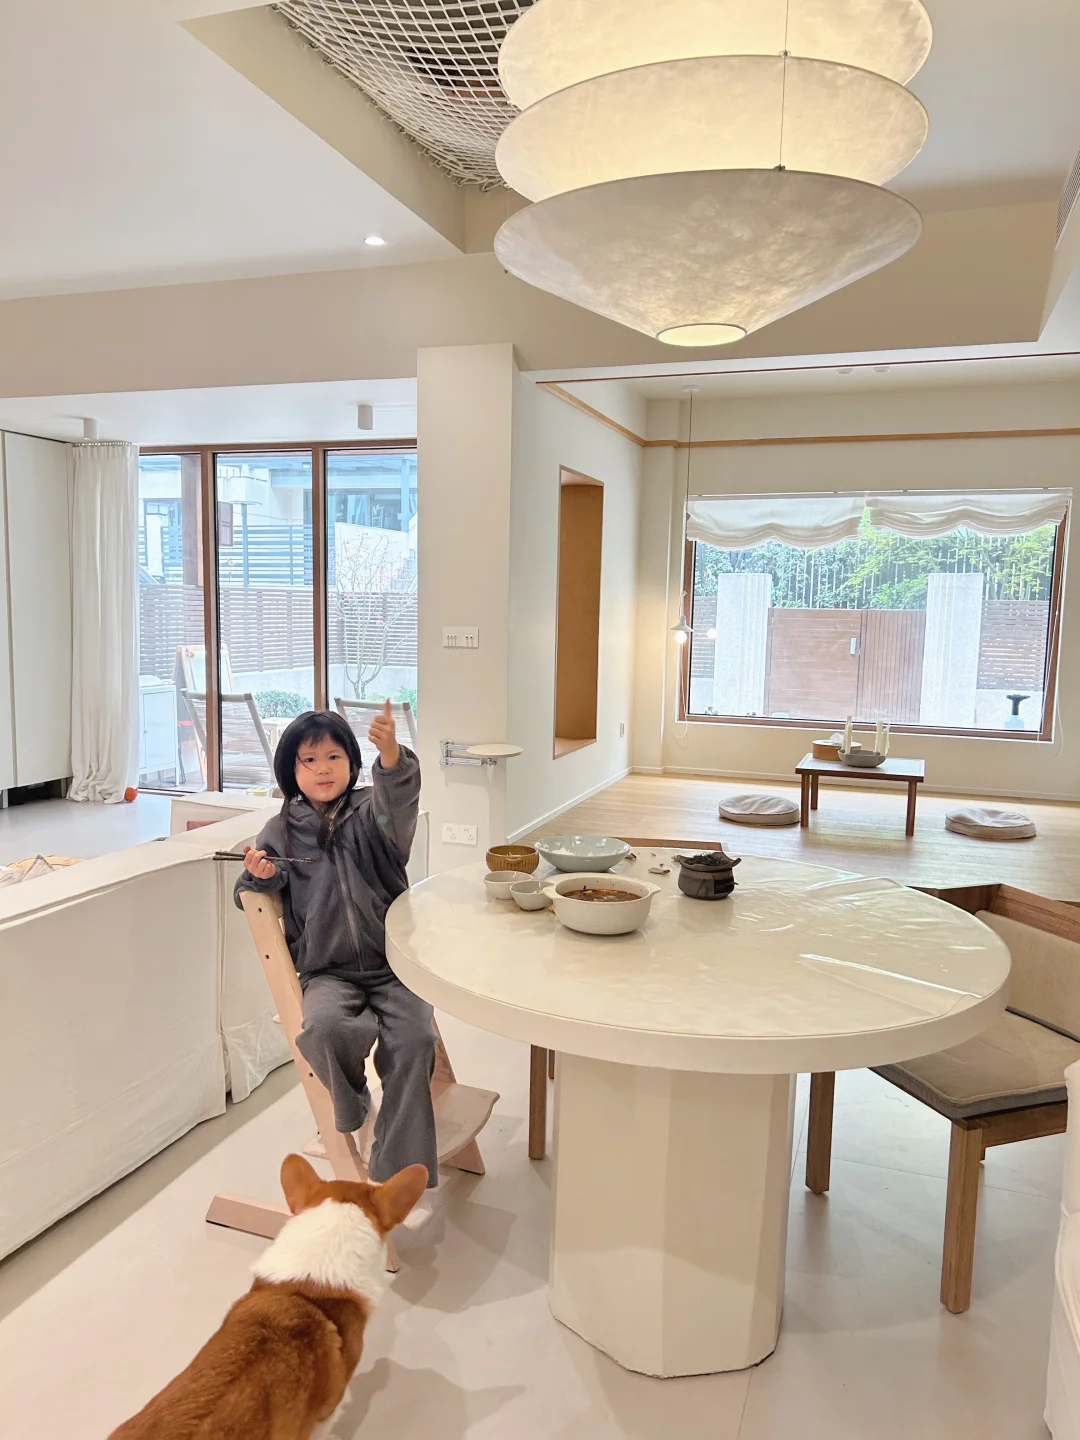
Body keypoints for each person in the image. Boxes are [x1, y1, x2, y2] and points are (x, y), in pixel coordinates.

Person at [235, 704, 436, 1187]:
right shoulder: (280, 830)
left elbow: (399, 797)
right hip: (327, 971)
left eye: (333, 757)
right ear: (291, 769)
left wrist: (391, 755)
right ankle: (354, 1107)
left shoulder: (372, 812)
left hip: (394, 965)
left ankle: (397, 1172)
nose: (322, 769)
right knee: (323, 1029)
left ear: (352, 762)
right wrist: (259, 875)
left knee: (416, 1040)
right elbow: (249, 890)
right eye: (309, 760)